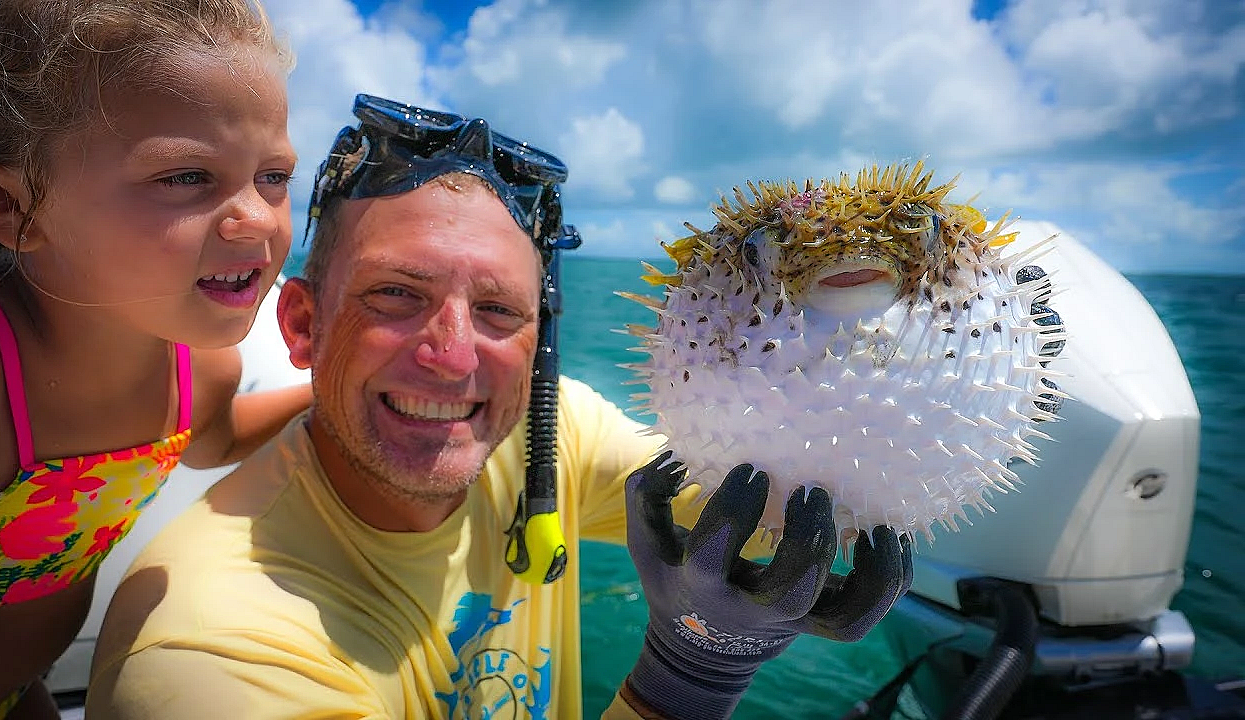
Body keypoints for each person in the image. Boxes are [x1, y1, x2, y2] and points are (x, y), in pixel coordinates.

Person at [85, 95, 912, 719]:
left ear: (539, 340)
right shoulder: (209, 651)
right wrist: (694, 672)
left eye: (499, 313)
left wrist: (900, 324)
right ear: (303, 324)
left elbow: (767, 498)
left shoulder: (549, 437)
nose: (450, 355)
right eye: (396, 296)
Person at [0, 2, 312, 718]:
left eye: (273, 175)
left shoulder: (201, 374)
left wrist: (333, 384)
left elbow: (212, 440)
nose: (256, 217)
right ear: (6, 202)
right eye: (185, 177)